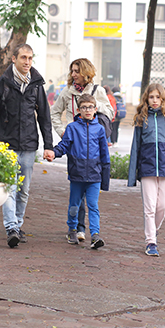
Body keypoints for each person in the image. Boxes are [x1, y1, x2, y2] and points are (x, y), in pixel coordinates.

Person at [0, 44, 54, 248]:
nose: (27, 62)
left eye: (30, 58)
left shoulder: (36, 85)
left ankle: (17, 223)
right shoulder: (3, 83)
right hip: (6, 144)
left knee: (23, 190)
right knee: (10, 187)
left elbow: (44, 117)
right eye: (23, 57)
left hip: (28, 145)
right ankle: (11, 228)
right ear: (14, 59)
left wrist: (48, 145)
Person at [50, 58, 114, 242]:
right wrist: (62, 132)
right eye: (72, 71)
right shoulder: (67, 92)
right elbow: (54, 112)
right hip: (74, 141)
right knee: (77, 195)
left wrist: (92, 105)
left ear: (85, 72)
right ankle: (76, 227)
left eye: (77, 71)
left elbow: (109, 113)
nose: (73, 74)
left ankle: (89, 231)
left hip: (92, 139)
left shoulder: (98, 91)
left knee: (91, 199)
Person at [128, 84, 165, 257]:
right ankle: (151, 242)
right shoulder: (142, 119)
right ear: (146, 99)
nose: (155, 100)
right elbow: (135, 146)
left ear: (163, 98)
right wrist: (132, 174)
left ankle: (153, 230)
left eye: (158, 97)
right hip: (147, 167)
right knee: (149, 208)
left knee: (163, 206)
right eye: (151, 97)